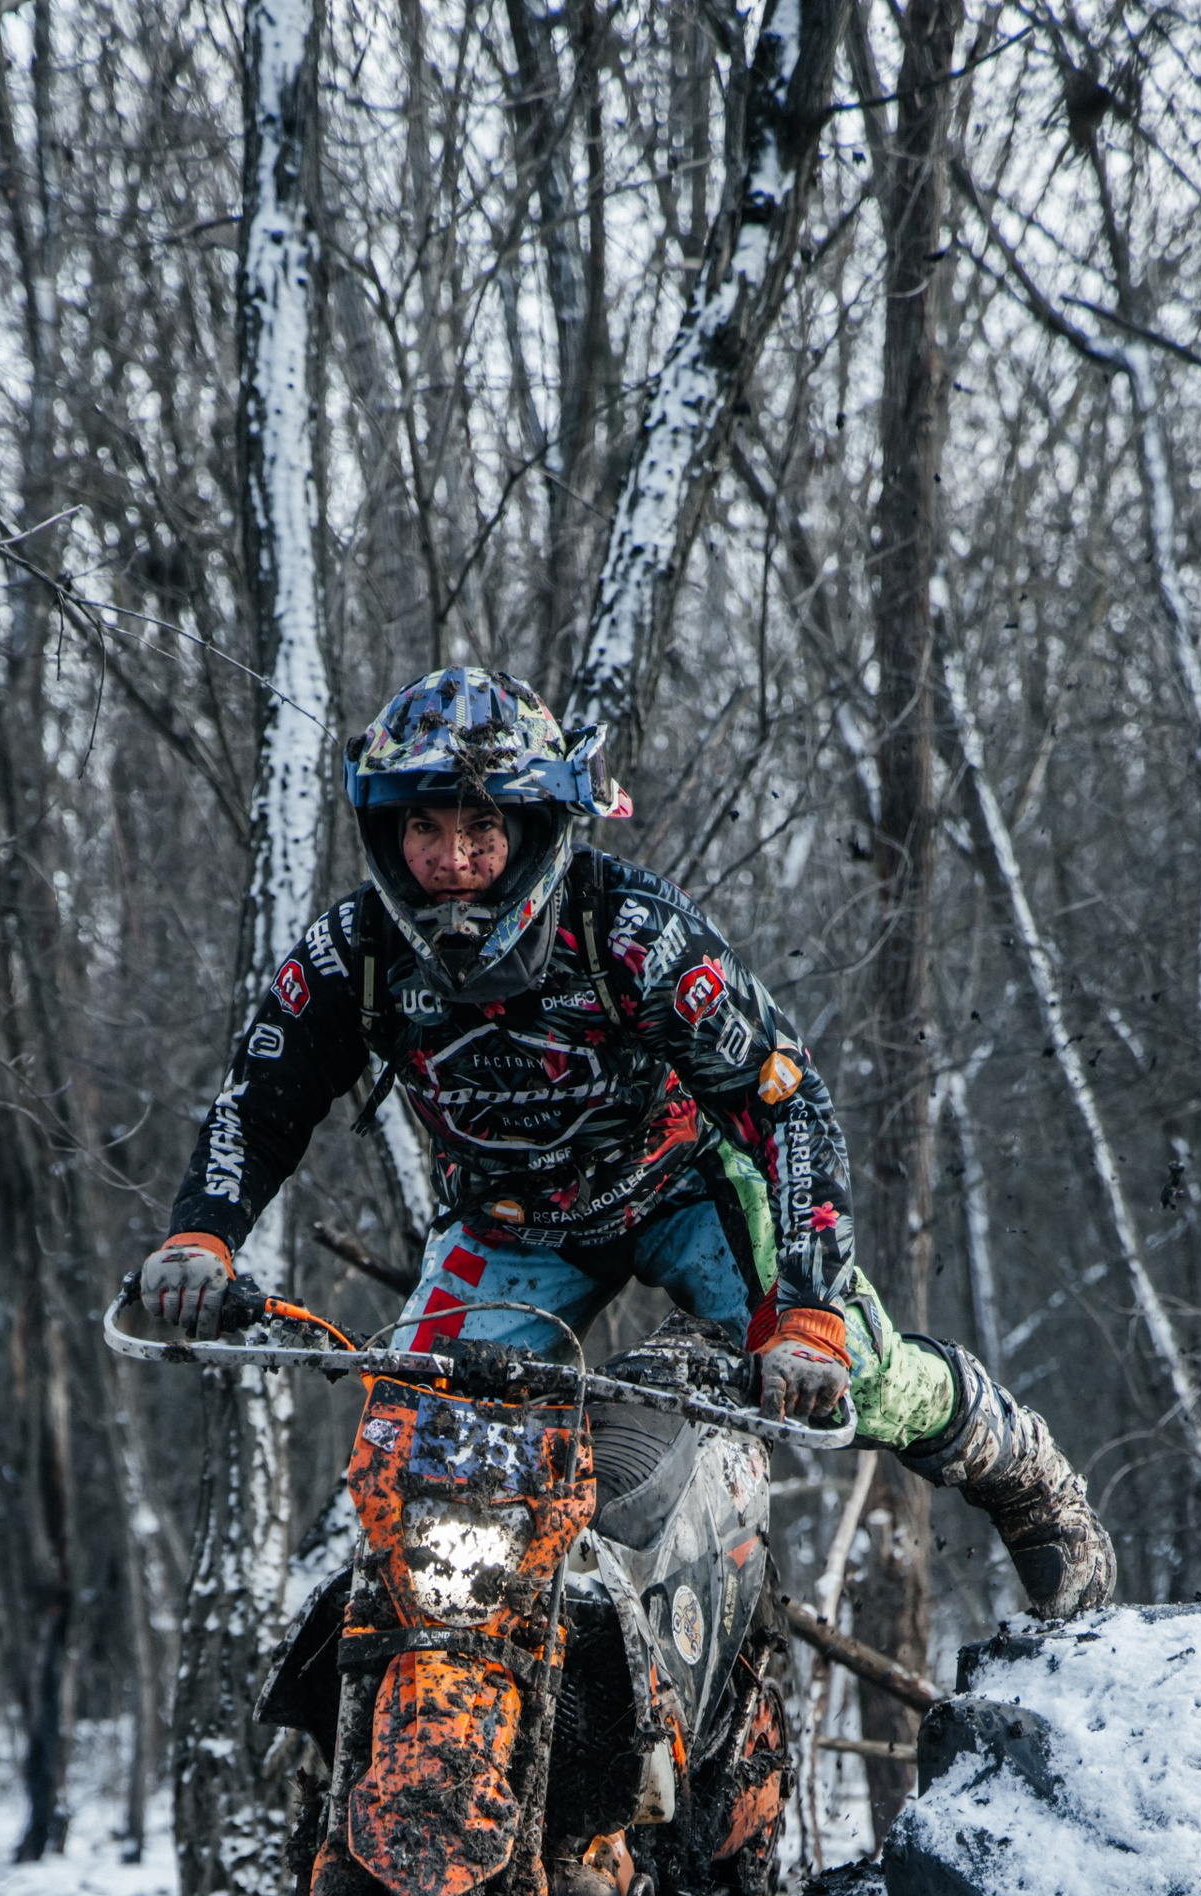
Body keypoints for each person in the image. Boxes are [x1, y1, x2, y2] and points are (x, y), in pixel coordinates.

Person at [142, 664, 1114, 1619]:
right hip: (508, 1228)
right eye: (424, 827)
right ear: (386, 831)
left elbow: (788, 1101)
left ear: (532, 827)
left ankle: (1017, 1465)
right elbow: (256, 1105)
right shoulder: (352, 950)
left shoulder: (632, 933)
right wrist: (199, 1236)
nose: (452, 859)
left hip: (684, 1190)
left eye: (481, 828)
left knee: (847, 1377)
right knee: (413, 1453)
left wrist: (811, 1312)